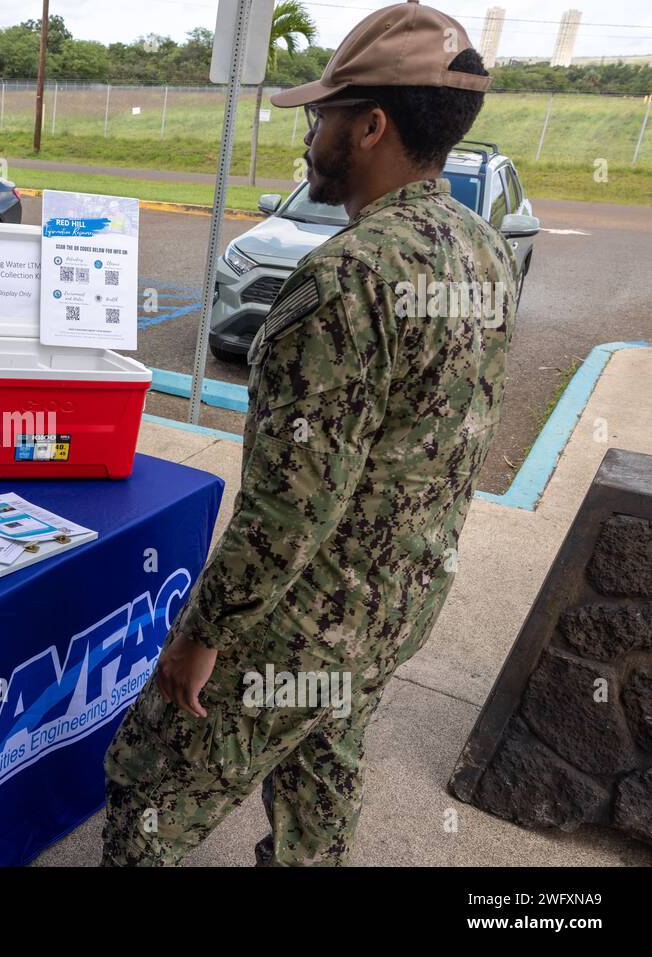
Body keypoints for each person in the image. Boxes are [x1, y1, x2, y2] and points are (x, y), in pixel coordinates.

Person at [103, 0, 515, 866]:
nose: (307, 135)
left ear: (369, 126)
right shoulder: (478, 247)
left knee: (150, 777)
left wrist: (198, 638)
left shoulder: (344, 280)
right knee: (321, 760)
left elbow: (289, 512)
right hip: (402, 599)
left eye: (321, 114)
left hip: (303, 619)